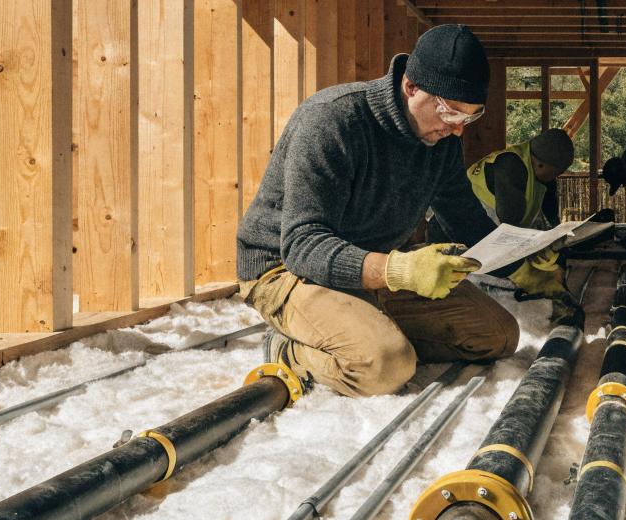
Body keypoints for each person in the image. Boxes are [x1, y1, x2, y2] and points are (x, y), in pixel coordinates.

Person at [235, 25, 562, 397]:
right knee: (385, 366)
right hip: (286, 271)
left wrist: (522, 263)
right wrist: (398, 269)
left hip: (374, 271)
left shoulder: (439, 144)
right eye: (450, 112)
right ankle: (288, 348)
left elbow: (466, 219)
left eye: (467, 118)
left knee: (498, 335)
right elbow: (302, 246)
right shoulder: (331, 121)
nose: (456, 130)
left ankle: (367, 330)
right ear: (411, 87)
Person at [467, 128, 574, 229]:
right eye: (556, 172)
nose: (555, 177)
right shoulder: (511, 165)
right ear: (541, 165)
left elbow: (551, 210)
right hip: (473, 220)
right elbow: (510, 220)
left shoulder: (542, 175)